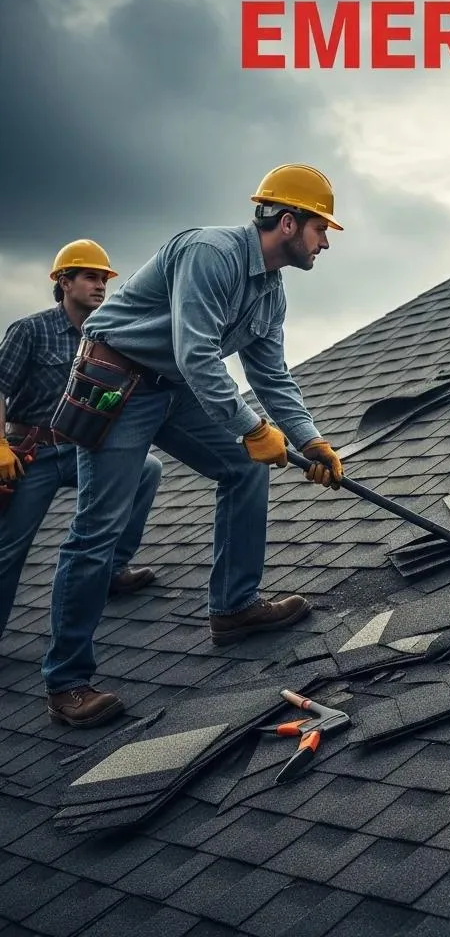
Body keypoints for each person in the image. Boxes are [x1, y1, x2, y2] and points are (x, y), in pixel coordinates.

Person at [42, 164, 348, 727]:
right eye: (320, 228)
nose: (325, 241)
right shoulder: (212, 254)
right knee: (97, 529)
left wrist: (311, 438)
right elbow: (197, 353)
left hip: (174, 388)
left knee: (244, 469)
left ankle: (234, 607)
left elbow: (272, 375)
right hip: (119, 383)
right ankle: (67, 683)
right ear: (287, 222)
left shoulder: (269, 292)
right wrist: (252, 429)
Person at [0, 241, 161, 639]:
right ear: (63, 282)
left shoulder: (107, 333)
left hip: (78, 448)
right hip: (29, 455)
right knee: (8, 551)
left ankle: (112, 570)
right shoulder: (29, 330)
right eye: (91, 277)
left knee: (146, 470)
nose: (101, 285)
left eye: (104, 279)